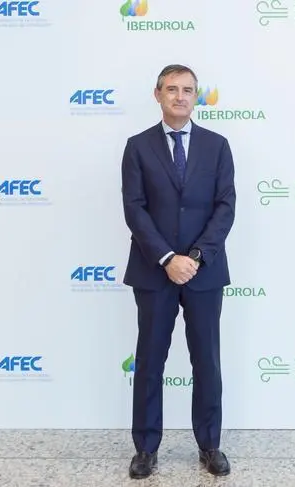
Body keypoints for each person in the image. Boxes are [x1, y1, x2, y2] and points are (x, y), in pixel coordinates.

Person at [121, 64, 236, 479]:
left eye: (188, 90)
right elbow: (134, 208)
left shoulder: (217, 146)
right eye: (172, 89)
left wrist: (197, 257)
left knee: (206, 361)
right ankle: (145, 448)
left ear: (196, 96)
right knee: (150, 361)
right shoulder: (137, 147)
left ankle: (210, 445)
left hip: (205, 273)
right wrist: (168, 258)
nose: (180, 96)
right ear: (158, 95)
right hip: (154, 272)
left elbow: (225, 206)